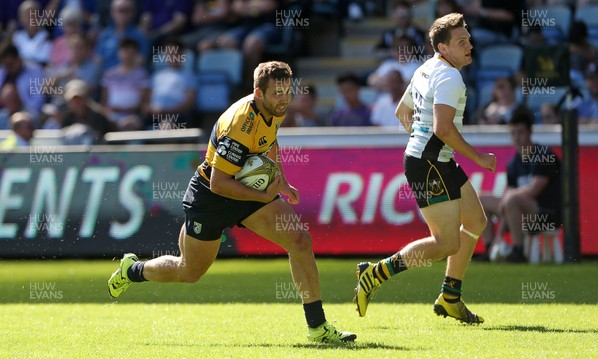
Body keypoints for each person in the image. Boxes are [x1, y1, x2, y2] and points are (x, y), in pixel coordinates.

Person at [107, 61, 356, 344]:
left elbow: (270, 143)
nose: (284, 98)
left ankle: (317, 327)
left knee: (299, 241)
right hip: (211, 198)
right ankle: (133, 270)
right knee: (188, 271)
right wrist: (263, 195)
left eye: (288, 91)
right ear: (258, 93)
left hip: (247, 189)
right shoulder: (240, 123)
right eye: (278, 92)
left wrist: (282, 182)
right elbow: (219, 182)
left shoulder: (274, 108)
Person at [354, 13, 496, 324]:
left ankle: (450, 297)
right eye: (461, 42)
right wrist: (479, 158)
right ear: (443, 48)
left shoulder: (426, 68)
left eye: (469, 39)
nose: (469, 45)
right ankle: (375, 273)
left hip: (433, 159)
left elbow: (402, 112)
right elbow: (443, 129)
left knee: (475, 221)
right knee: (446, 242)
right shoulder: (449, 76)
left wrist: (421, 142)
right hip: (430, 163)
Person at [480, 111, 561, 263]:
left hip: (547, 212)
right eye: (513, 133)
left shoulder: (544, 156)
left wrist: (508, 198)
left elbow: (533, 191)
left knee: (511, 199)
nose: (516, 137)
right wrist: (499, 237)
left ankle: (518, 251)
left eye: (520, 132)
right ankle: (490, 248)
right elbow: (508, 203)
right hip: (518, 211)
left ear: (530, 132)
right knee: (481, 200)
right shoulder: (513, 164)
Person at [101, 38, 149, 131]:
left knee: (131, 124)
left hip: (133, 116)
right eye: (125, 51)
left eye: (131, 52)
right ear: (119, 53)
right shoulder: (109, 74)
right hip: (112, 116)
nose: (128, 55)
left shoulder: (142, 74)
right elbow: (104, 100)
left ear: (136, 54)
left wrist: (123, 111)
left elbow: (142, 102)